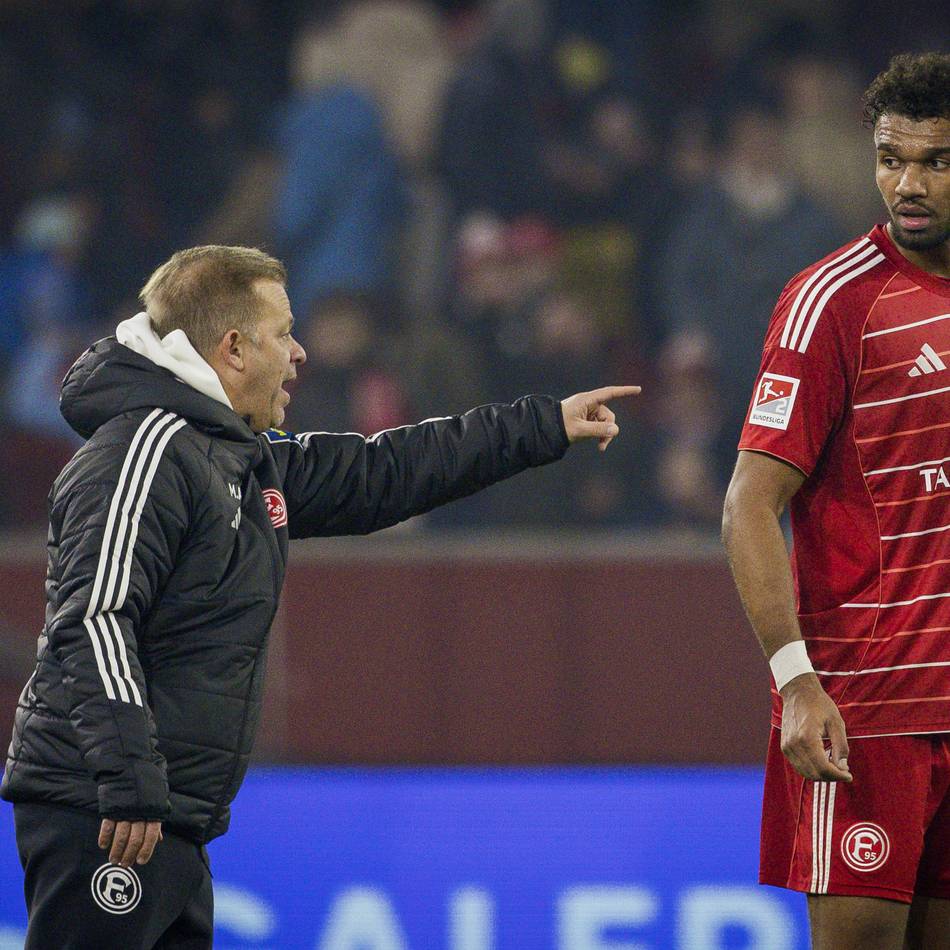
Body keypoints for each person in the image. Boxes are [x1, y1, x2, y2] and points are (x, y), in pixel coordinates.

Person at [0, 244, 639, 949]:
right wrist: (126, 780)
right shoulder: (144, 450)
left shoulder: (238, 457)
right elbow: (93, 620)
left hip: (162, 811)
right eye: (283, 332)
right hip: (107, 809)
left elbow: (382, 473)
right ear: (234, 348)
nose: (299, 353)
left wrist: (539, 426)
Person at [722, 52, 950, 949]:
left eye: (936, 159)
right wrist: (795, 681)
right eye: (892, 159)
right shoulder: (833, 303)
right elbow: (747, 504)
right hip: (867, 710)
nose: (909, 182)